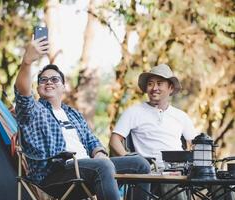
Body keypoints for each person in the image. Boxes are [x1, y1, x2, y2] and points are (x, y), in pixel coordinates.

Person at [14, 36, 151, 200]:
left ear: (63, 86)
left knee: (140, 164)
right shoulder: (34, 111)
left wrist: (99, 152)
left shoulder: (73, 114)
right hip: (55, 174)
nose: (48, 82)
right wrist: (27, 62)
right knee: (103, 166)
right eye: (43, 80)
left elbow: (91, 140)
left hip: (88, 168)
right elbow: (22, 93)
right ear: (38, 87)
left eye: (54, 79)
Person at [109, 64, 198, 199]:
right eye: (150, 84)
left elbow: (194, 144)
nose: (154, 88)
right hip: (151, 169)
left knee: (223, 184)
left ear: (170, 88)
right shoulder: (134, 112)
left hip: (179, 169)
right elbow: (114, 140)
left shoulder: (181, 116)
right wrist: (131, 159)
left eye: (159, 83)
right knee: (172, 185)